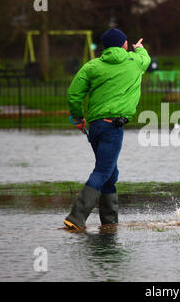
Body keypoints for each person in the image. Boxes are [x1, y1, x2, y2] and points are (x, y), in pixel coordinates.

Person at [64, 28, 151, 230]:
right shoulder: (134, 62)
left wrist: (77, 117)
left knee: (110, 173)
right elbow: (145, 58)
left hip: (95, 127)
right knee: (103, 170)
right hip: (113, 126)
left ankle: (109, 223)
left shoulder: (92, 66)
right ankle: (76, 217)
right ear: (124, 44)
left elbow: (73, 95)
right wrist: (140, 49)